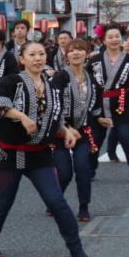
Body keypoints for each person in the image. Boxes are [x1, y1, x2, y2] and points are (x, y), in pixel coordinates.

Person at [0, 42, 88, 257]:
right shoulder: (11, 81)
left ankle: (76, 250)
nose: (37, 58)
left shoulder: (52, 87)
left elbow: (54, 117)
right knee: (3, 201)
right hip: (8, 153)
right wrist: (21, 116)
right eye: (32, 54)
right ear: (22, 59)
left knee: (56, 201)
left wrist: (65, 131)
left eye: (41, 54)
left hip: (39, 154)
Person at [53, 39, 104, 222]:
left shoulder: (91, 78)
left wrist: (100, 118)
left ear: (87, 54)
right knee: (65, 173)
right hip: (60, 132)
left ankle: (84, 207)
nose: (76, 53)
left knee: (83, 168)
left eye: (80, 50)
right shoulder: (61, 77)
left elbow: (96, 105)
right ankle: (55, 201)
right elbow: (53, 105)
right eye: (72, 50)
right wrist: (65, 128)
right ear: (66, 55)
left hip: (82, 131)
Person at [90, 24, 129, 183]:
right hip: (99, 104)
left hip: (123, 105)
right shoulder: (95, 60)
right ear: (104, 40)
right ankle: (89, 171)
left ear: (122, 39)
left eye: (117, 36)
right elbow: (89, 83)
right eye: (110, 37)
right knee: (95, 139)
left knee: (127, 137)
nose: (114, 39)